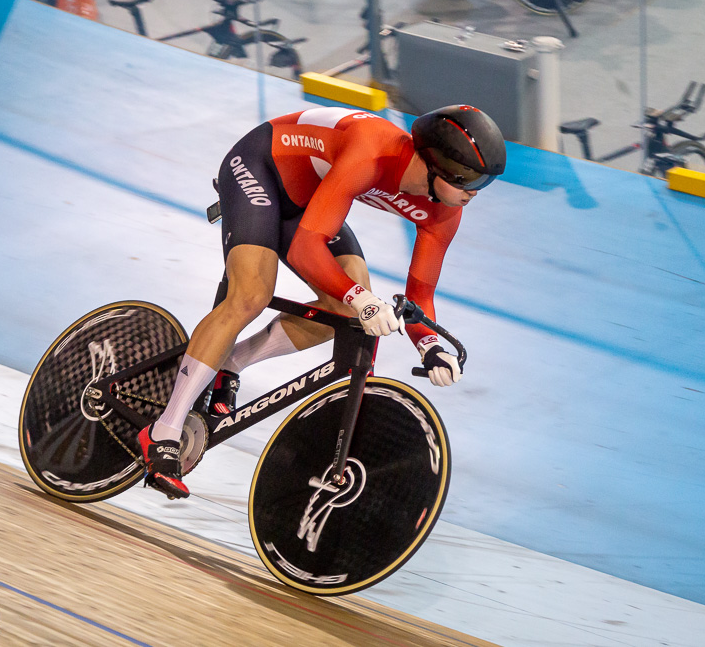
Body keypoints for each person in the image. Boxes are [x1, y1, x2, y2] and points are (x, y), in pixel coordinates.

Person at [138, 104, 506, 499]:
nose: (474, 193)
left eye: (482, 183)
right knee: (251, 295)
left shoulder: (445, 212)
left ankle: (231, 361)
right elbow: (304, 251)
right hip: (259, 165)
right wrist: (361, 298)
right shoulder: (372, 151)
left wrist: (429, 346)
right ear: (435, 164)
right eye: (469, 180)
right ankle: (163, 430)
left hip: (309, 195)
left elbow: (421, 295)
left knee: (346, 312)